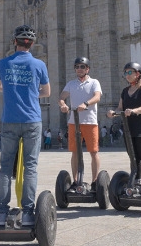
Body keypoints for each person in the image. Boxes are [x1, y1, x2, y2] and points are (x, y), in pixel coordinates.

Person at [0, 24, 50, 226]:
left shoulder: (4, 62)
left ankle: (1, 213)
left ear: (14, 42)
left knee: (5, 168)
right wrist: (33, 94)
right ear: (32, 44)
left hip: (9, 119)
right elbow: (47, 92)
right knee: (31, 167)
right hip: (32, 120)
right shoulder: (39, 64)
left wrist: (10, 91)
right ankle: (27, 213)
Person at [107, 62, 141, 185]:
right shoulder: (125, 91)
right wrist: (113, 112)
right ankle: (136, 182)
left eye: (130, 72)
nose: (127, 75)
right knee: (134, 158)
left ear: (137, 74)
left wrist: (134, 111)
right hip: (129, 129)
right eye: (125, 73)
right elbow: (120, 108)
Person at [59, 57, 102, 192]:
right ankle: (76, 180)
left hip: (90, 121)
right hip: (73, 122)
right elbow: (61, 97)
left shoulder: (94, 82)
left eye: (82, 67)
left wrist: (86, 104)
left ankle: (95, 181)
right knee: (75, 153)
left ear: (87, 69)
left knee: (93, 152)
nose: (79, 69)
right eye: (77, 67)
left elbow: (97, 97)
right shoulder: (71, 84)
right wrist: (63, 105)